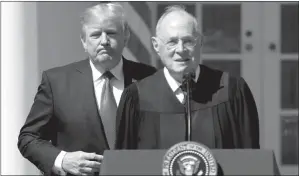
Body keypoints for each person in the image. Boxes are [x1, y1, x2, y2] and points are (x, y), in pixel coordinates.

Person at [17, 3, 156, 176]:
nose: (104, 41)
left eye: (111, 33)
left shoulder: (151, 78)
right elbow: (28, 138)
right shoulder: (57, 82)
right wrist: (63, 159)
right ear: (84, 41)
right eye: (96, 34)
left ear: (126, 37)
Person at [115, 5, 260, 150]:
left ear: (201, 42)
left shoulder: (231, 90)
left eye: (188, 41)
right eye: (172, 42)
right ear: (156, 45)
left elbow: (250, 159)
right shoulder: (136, 97)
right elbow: (124, 163)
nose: (181, 50)